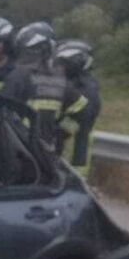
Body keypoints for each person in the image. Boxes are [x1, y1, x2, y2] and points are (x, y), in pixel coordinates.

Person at [3, 24, 89, 151]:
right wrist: (61, 134)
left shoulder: (18, 77)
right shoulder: (60, 80)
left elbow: (3, 114)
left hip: (20, 150)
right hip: (47, 151)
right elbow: (83, 111)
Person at [53, 40, 101, 177]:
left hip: (75, 155)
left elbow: (79, 121)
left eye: (63, 63)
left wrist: (53, 129)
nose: (59, 67)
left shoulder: (86, 88)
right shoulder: (73, 83)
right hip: (69, 153)